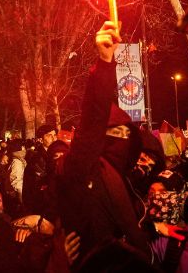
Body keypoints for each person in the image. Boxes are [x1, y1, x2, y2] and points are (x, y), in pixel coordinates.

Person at [56, 21, 149, 264]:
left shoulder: (130, 181)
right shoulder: (82, 168)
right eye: (113, 133)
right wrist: (105, 64)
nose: (121, 139)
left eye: (125, 133)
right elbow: (93, 120)